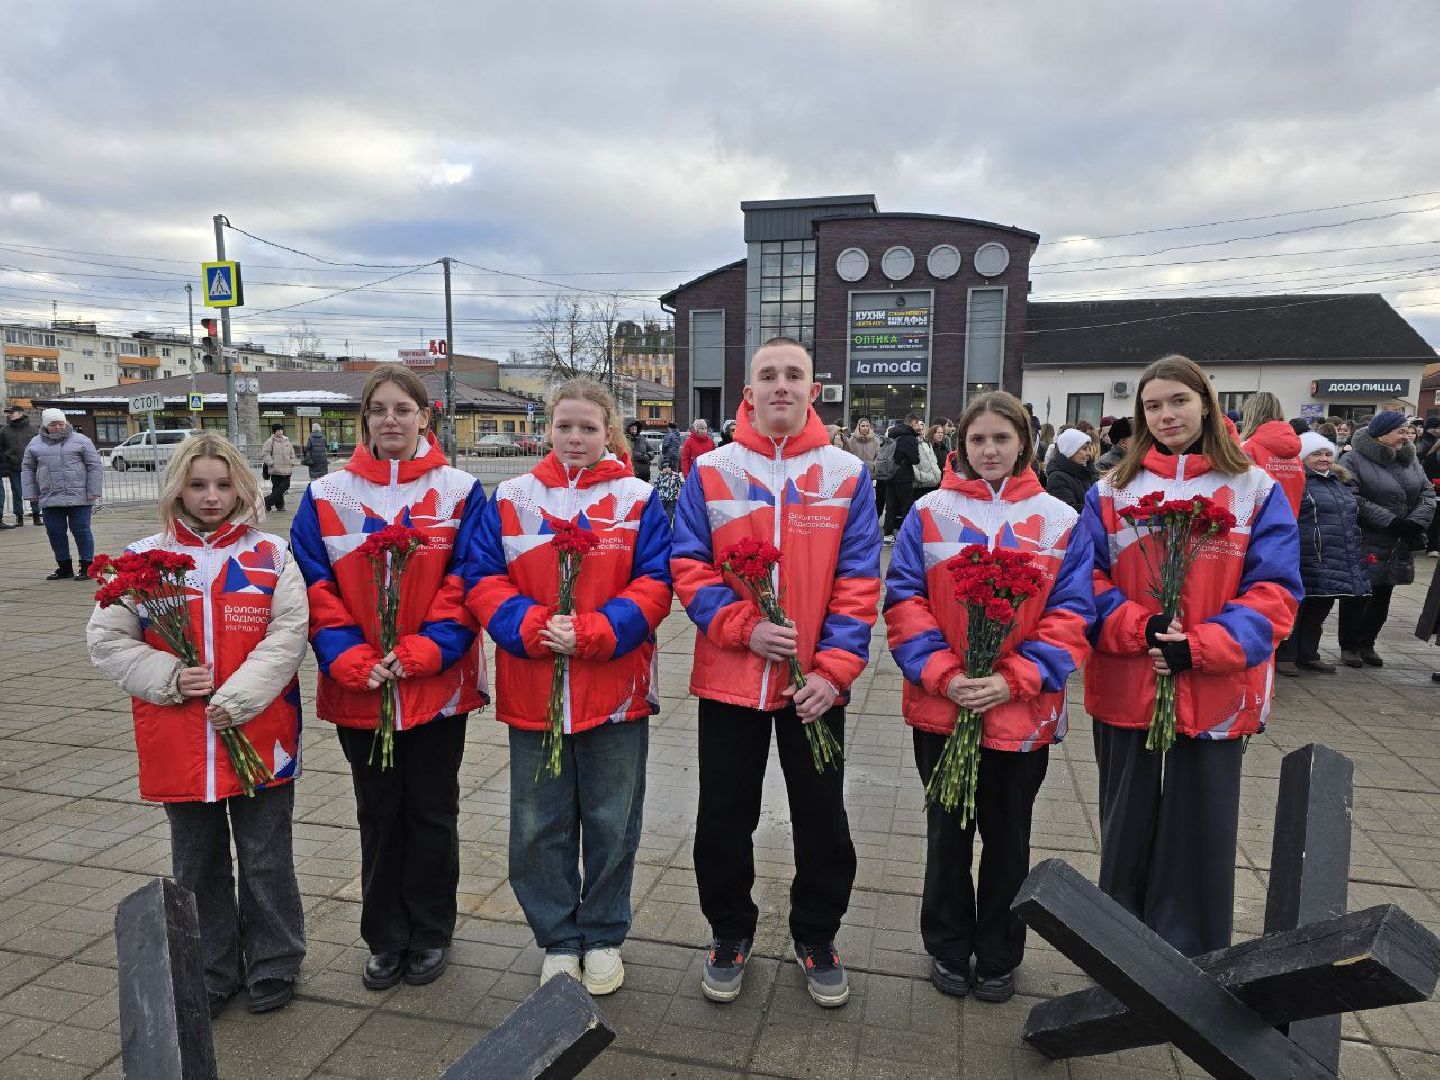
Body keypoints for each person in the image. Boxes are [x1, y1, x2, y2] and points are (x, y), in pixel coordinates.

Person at [671, 336, 881, 1009]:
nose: (781, 385)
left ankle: (817, 936)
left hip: (814, 687)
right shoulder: (711, 471)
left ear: (814, 389)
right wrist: (744, 627)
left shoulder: (848, 475)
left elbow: (859, 581)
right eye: (769, 375)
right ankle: (730, 933)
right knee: (723, 819)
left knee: (822, 819)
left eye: (794, 375)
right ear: (749, 391)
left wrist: (836, 671)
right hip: (731, 679)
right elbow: (688, 567)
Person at [1078, 353, 1300, 958]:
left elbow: (1276, 592)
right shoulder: (1112, 490)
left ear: (1206, 402)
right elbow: (1085, 584)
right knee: (1126, 829)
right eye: (1153, 405)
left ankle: (1191, 956)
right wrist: (1141, 628)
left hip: (1216, 691)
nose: (1167, 414)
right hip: (1130, 684)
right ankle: (1118, 950)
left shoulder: (1254, 489)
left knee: (1201, 831)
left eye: (1178, 400)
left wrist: (1199, 649)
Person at [86, 433, 307, 1018]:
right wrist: (169, 675)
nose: (211, 497)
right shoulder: (142, 559)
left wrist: (236, 699)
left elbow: (287, 637)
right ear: (177, 487)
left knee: (266, 857)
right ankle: (211, 965)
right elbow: (107, 640)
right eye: (197, 484)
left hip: (260, 732)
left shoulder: (271, 554)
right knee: (197, 860)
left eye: (223, 483)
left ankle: (274, 960)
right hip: (178, 740)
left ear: (243, 485)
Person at [884, 391, 1092, 1003]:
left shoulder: (1060, 518)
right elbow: (904, 601)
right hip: (943, 707)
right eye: (978, 440)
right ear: (962, 446)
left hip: (1020, 711)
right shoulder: (930, 512)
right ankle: (947, 943)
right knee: (947, 835)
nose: (990, 450)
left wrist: (1014, 678)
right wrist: (945, 674)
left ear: (1024, 442)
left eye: (1002, 438)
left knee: (1008, 838)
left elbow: (1073, 612)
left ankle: (1000, 952)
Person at [467, 378, 671, 996]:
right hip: (533, 688)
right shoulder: (510, 498)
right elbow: (482, 578)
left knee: (613, 819)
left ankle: (604, 933)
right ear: (547, 429)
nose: (575, 438)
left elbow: (656, 583)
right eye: (564, 426)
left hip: (614, 688)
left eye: (588, 427)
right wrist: (530, 626)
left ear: (609, 431)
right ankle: (557, 938)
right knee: (538, 823)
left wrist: (596, 631)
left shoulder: (637, 499)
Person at [290, 364, 489, 991]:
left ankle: (431, 930)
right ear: (365, 419)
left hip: (434, 685)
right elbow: (311, 585)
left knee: (432, 812)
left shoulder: (460, 490)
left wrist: (431, 648)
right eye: (379, 409)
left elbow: (469, 578)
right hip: (362, 686)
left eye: (403, 409)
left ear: (425, 416)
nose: (391, 420)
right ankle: (385, 935)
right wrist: (345, 655)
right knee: (376, 813)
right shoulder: (328, 495)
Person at [1336, 410, 1436, 668]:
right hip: (1368, 536)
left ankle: (1367, 642)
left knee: (1383, 594)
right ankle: (1349, 645)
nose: (1407, 436)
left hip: (1398, 540)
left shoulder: (1409, 460)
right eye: (1401, 431)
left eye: (1408, 431)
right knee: (1358, 594)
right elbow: (1351, 497)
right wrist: (1390, 521)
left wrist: (1415, 522)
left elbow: (1426, 491)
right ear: (1381, 433)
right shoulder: (1353, 459)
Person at [1276, 432, 1368, 676]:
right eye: (1316, 453)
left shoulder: (1339, 482)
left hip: (1334, 553)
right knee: (1297, 606)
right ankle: (1286, 654)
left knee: (1320, 606)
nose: (1324, 458)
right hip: (1306, 554)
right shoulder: (1297, 482)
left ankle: (1308, 653)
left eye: (1328, 453)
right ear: (1304, 457)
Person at [22, 408, 102, 580]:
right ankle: (64, 567)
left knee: (81, 531)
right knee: (55, 533)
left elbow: (94, 466)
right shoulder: (35, 443)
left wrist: (93, 491)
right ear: (45, 425)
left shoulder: (82, 440)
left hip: (79, 496)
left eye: (61, 423)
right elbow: (27, 468)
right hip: (50, 496)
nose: (58, 427)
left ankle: (87, 566)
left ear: (66, 423)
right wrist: (30, 493)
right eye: (53, 424)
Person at [1240, 392, 1304, 516]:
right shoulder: (1295, 453)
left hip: (1257, 526)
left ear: (1250, 414)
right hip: (1288, 525)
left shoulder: (1246, 448)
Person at [882, 413, 922, 542]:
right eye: (917, 423)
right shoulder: (909, 438)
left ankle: (887, 535)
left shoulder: (892, 434)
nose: (918, 426)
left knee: (891, 506)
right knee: (907, 506)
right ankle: (905, 535)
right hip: (904, 477)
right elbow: (915, 459)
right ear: (912, 423)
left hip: (889, 475)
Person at [1, 403, 38, 528]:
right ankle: (19, 518)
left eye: (12, 412)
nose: (10, 415)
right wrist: (6, 463)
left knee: (34, 491)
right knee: (17, 493)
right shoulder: (4, 430)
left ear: (21, 413)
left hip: (31, 467)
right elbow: (1, 449)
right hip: (13, 467)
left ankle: (36, 516)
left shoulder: (33, 430)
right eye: (9, 413)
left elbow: (38, 448)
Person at [1045, 428, 1097, 512]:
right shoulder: (1058, 479)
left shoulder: (1085, 473)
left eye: (1089, 449)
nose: (1089, 454)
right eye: (1084, 449)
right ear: (1070, 451)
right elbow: (1069, 513)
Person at [261, 424, 297, 513]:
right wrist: (270, 463)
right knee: (277, 488)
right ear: (274, 432)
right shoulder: (270, 442)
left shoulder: (287, 441)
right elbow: (265, 454)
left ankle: (266, 502)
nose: (280, 431)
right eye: (278, 430)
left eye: (281, 430)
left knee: (284, 487)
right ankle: (280, 506)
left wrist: (292, 462)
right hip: (275, 470)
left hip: (287, 470)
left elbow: (292, 454)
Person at [912, 423, 944, 498]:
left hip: (933, 483)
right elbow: (913, 466)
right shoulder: (912, 444)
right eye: (918, 429)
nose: (920, 432)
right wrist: (924, 477)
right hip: (920, 486)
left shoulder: (927, 444)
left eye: (922, 429)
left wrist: (937, 475)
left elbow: (934, 462)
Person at [654, 461, 682, 526]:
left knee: (669, 516)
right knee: (662, 515)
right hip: (662, 498)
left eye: (668, 467)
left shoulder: (675, 475)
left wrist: (676, 491)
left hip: (672, 498)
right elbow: (656, 486)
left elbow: (680, 485)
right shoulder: (660, 475)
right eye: (665, 467)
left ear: (671, 468)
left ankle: (668, 529)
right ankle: (663, 528)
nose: (666, 469)